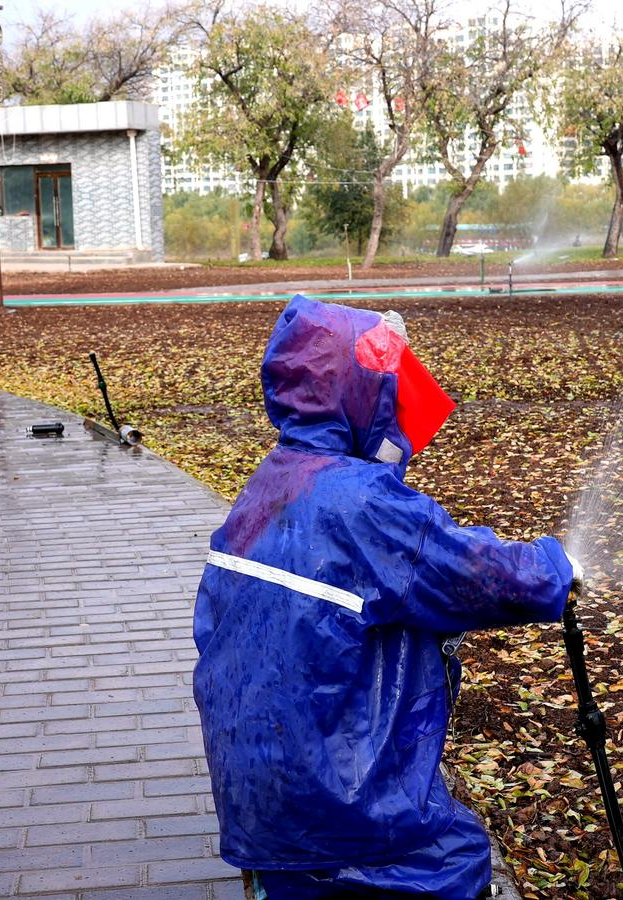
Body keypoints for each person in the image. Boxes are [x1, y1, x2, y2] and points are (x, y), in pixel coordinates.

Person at [193, 295, 579, 900]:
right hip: (337, 795)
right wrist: (556, 566)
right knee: (457, 862)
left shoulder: (270, 484)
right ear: (355, 392)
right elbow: (470, 571)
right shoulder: (361, 502)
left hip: (255, 790)